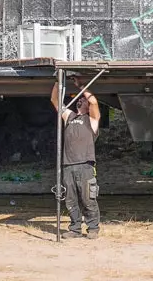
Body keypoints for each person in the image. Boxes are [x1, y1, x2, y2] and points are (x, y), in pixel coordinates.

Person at [51, 79, 101, 239]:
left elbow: (93, 101)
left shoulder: (92, 120)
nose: (81, 99)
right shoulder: (70, 117)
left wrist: (81, 86)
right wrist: (58, 81)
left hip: (85, 166)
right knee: (70, 199)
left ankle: (93, 228)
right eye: (79, 98)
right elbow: (54, 100)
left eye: (83, 98)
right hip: (68, 165)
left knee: (88, 198)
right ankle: (75, 229)